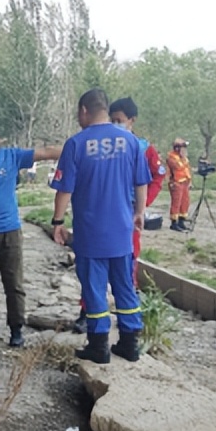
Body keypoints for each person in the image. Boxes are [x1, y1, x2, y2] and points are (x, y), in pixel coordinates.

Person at [51, 89, 151, 364]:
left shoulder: (77, 143)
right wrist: (139, 212)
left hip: (90, 232)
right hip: (122, 232)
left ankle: (99, 346)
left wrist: (58, 222)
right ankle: (130, 344)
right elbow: (141, 181)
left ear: (84, 110)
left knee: (94, 289)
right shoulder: (130, 141)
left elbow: (64, 190)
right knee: (125, 287)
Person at [0, 117, 62, 348]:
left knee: (14, 283)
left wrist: (77, 148)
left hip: (11, 231)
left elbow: (46, 152)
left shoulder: (11, 156)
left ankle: (17, 329)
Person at [108, 98, 166, 286]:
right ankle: (88, 308)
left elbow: (158, 176)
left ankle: (129, 292)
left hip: (130, 210)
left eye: (119, 120)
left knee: (130, 251)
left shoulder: (144, 148)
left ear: (132, 120)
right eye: (112, 120)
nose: (116, 124)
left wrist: (143, 204)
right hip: (105, 207)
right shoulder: (103, 144)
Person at [166, 138, 192, 231]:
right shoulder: (172, 158)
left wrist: (190, 182)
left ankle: (181, 221)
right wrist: (183, 158)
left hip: (184, 183)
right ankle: (174, 223)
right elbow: (178, 167)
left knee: (185, 202)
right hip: (176, 183)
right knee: (176, 203)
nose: (185, 149)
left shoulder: (183, 158)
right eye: (183, 147)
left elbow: (187, 170)